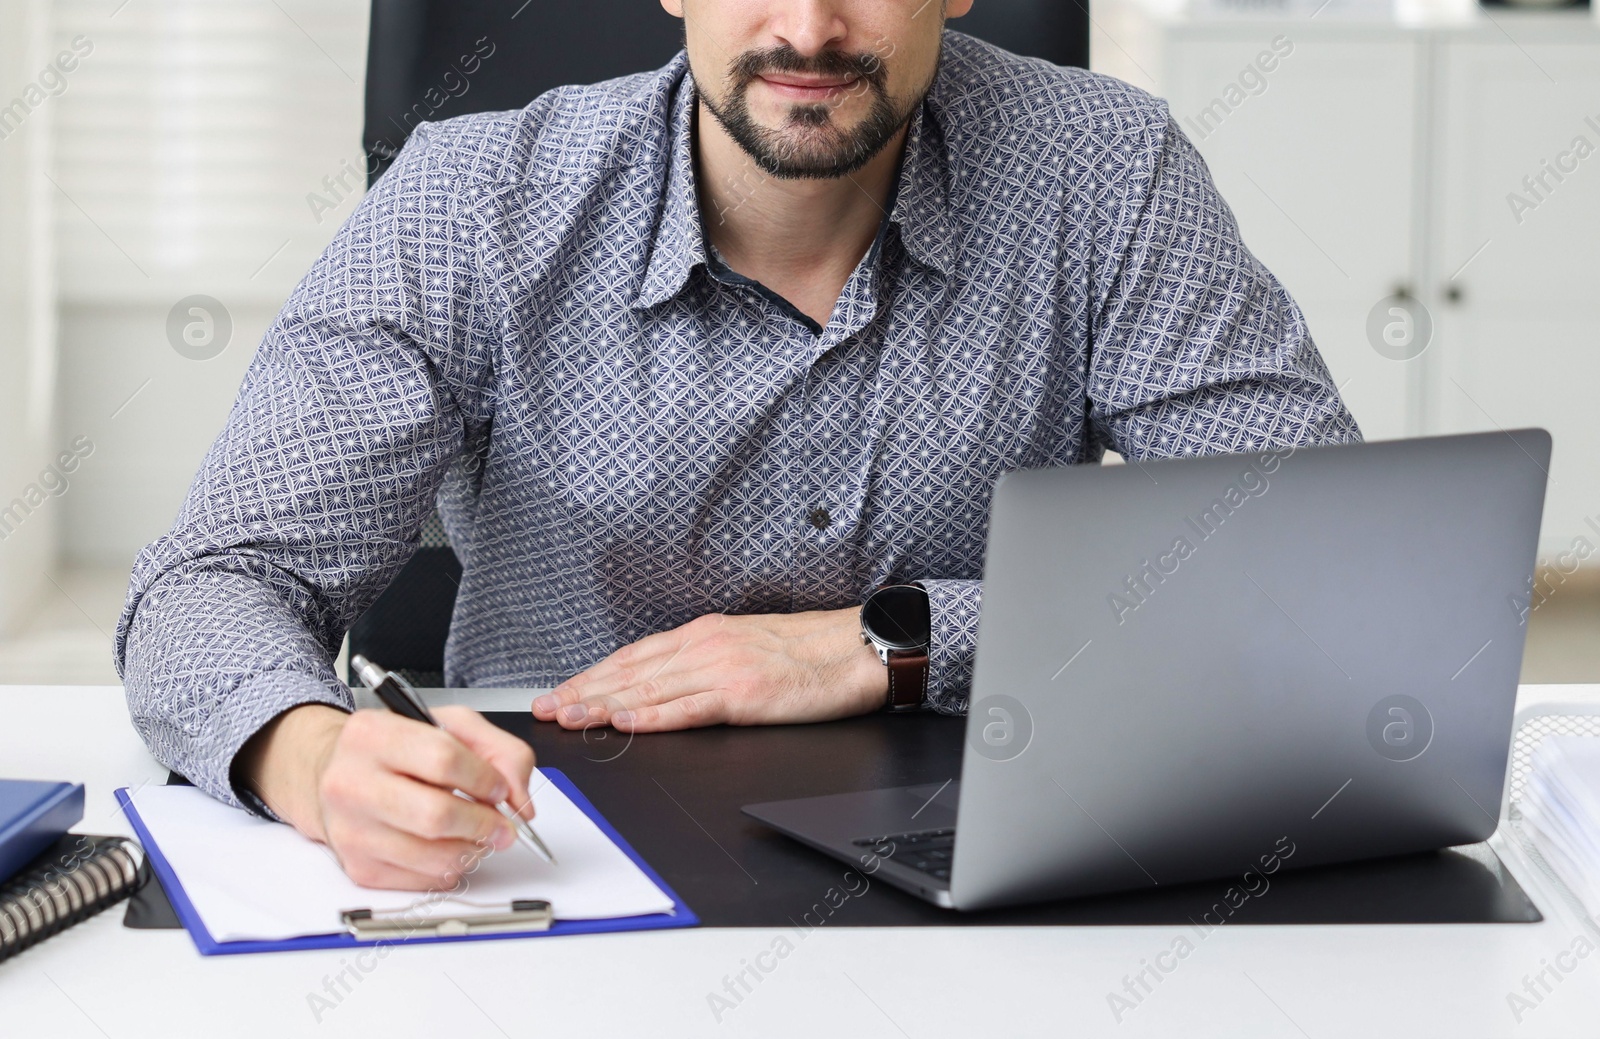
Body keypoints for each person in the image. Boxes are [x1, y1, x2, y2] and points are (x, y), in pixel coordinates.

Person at [116, 0, 1361, 890]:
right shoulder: (467, 201)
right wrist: (309, 749)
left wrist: (893, 642)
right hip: (555, 846)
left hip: (999, 834)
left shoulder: (1106, 172)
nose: (809, 30)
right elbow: (212, 582)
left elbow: (1311, 558)